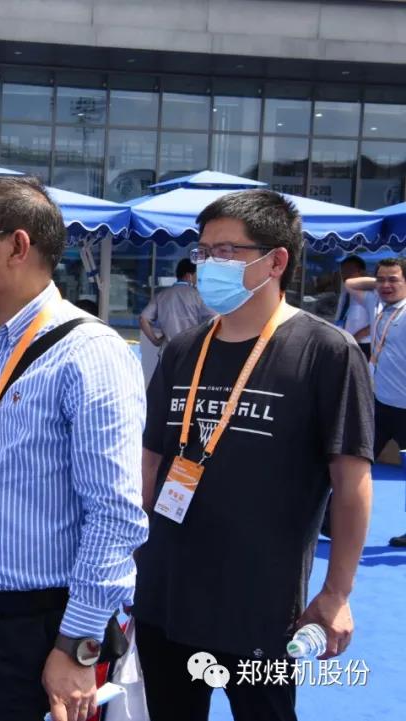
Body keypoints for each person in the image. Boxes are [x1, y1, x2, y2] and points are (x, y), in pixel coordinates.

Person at [136, 189, 373, 721]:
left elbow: (352, 484)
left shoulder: (326, 352)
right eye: (203, 252)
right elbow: (151, 461)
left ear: (276, 261)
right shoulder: (184, 349)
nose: (207, 265)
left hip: (261, 608)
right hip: (166, 595)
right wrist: (128, 557)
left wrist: (336, 593)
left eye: (226, 252)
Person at [0, 176, 148, 721]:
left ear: (17, 246)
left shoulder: (89, 353)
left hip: (40, 627)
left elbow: (114, 515)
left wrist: (77, 646)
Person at [346, 256, 406, 547]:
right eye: (381, 279)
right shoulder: (376, 304)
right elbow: (350, 283)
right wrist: (381, 283)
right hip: (379, 405)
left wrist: (389, 281)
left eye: (393, 279)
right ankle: (331, 521)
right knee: (355, 461)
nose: (385, 285)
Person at [139, 257, 214, 352]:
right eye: (197, 275)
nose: (198, 279)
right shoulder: (199, 295)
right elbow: (214, 318)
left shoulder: (161, 295)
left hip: (168, 350)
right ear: (189, 276)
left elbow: (143, 319)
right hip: (190, 349)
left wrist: (155, 341)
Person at [335, 254, 374, 358]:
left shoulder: (370, 294)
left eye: (349, 271)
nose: (345, 275)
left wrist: (354, 339)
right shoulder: (345, 293)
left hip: (363, 345)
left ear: (362, 272)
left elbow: (375, 324)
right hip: (345, 342)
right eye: (343, 271)